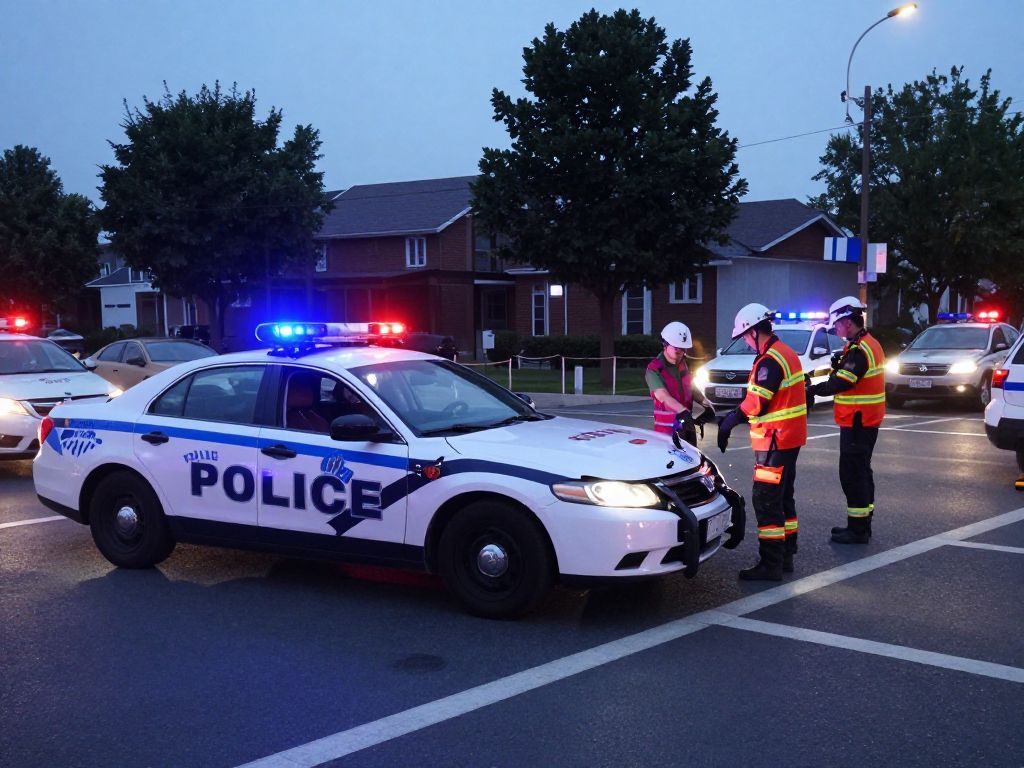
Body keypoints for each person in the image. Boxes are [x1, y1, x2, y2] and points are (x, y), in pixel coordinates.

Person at [717, 303, 807, 580]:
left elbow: (757, 402)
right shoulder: (786, 353)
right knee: (784, 498)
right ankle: (786, 555)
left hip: (774, 441)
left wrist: (730, 420)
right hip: (788, 439)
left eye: (745, 336)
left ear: (756, 331)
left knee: (766, 501)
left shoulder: (770, 360)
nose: (745, 341)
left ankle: (770, 565)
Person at [807, 296, 885, 544]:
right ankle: (862, 524)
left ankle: (858, 530)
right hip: (863, 420)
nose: (836, 330)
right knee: (861, 471)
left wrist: (812, 390)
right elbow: (848, 376)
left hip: (858, 422)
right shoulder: (865, 344)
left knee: (852, 474)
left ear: (848, 323)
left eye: (838, 325)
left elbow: (842, 382)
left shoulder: (860, 350)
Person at [646, 321, 714, 446]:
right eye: (677, 349)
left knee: (694, 464)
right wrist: (683, 412)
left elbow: (690, 388)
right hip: (666, 433)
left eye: (683, 349)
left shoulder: (683, 365)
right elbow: (662, 396)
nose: (680, 353)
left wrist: (706, 404)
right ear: (665, 344)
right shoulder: (654, 369)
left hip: (686, 428)